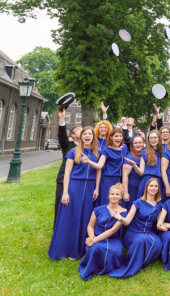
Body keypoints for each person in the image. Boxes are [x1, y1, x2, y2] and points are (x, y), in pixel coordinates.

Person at [49, 127, 100, 260]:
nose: (88, 136)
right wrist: (65, 192)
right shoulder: (74, 152)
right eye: (85, 134)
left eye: (90, 134)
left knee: (85, 217)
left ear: (93, 137)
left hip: (89, 187)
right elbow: (67, 173)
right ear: (81, 137)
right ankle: (67, 249)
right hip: (75, 186)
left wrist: (97, 188)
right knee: (71, 217)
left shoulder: (97, 153)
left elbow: (99, 171)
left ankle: (82, 249)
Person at [109, 178, 163, 278]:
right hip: (133, 233)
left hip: (147, 232)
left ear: (158, 189)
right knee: (141, 240)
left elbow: (159, 223)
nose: (153, 188)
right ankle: (132, 264)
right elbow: (127, 222)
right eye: (151, 186)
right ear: (146, 188)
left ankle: (142, 262)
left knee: (157, 243)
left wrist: (162, 226)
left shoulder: (159, 205)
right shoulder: (137, 203)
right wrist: (120, 218)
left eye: (156, 186)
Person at [78, 183, 128, 280]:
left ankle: (109, 268)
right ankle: (92, 268)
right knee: (95, 248)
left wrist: (94, 240)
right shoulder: (98, 209)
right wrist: (92, 237)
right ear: (108, 196)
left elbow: (112, 230)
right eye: (112, 194)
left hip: (112, 238)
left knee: (115, 250)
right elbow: (90, 225)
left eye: (117, 194)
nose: (114, 196)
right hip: (96, 235)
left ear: (121, 197)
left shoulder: (123, 212)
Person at [54, 109, 82, 221]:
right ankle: (57, 232)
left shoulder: (88, 148)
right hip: (63, 181)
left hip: (78, 182)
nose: (82, 130)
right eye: (79, 130)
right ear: (73, 135)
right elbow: (62, 135)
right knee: (60, 206)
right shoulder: (68, 146)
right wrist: (62, 117)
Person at [97, 128, 128, 206]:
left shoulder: (124, 148)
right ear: (111, 137)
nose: (119, 138)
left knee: (119, 203)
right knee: (107, 203)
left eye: (120, 136)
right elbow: (99, 165)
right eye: (116, 136)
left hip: (121, 180)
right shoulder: (106, 149)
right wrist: (88, 161)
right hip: (109, 180)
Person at [134, 130, 165, 199]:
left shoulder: (163, 152)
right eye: (151, 138)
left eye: (155, 137)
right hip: (146, 180)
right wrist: (134, 165)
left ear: (158, 138)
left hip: (158, 181)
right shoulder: (145, 152)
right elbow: (141, 172)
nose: (153, 140)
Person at [122, 134, 144, 210]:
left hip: (143, 186)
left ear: (143, 143)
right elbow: (125, 175)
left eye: (140, 142)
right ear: (132, 145)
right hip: (132, 188)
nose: (138, 145)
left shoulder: (145, 155)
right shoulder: (129, 157)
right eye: (136, 143)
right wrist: (125, 192)